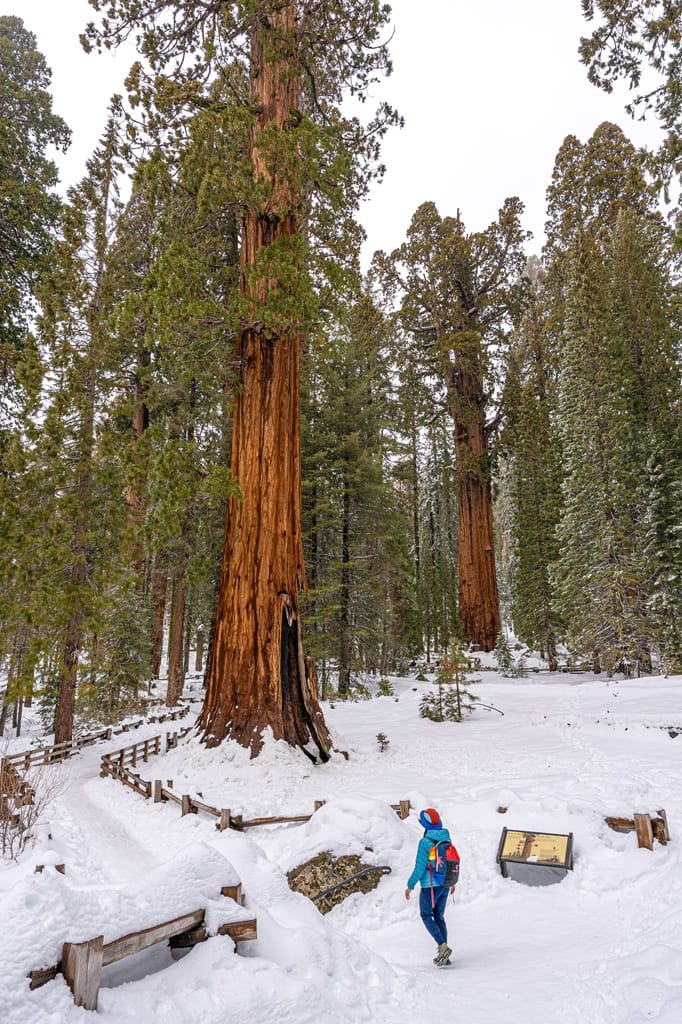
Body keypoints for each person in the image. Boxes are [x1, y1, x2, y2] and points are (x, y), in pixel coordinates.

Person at [404, 807, 455, 966]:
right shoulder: (445, 837)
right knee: (439, 916)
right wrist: (452, 882)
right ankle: (443, 953)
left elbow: (420, 867)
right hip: (445, 883)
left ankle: (442, 946)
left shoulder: (425, 842)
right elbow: (451, 861)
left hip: (430, 886)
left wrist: (410, 885)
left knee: (426, 915)